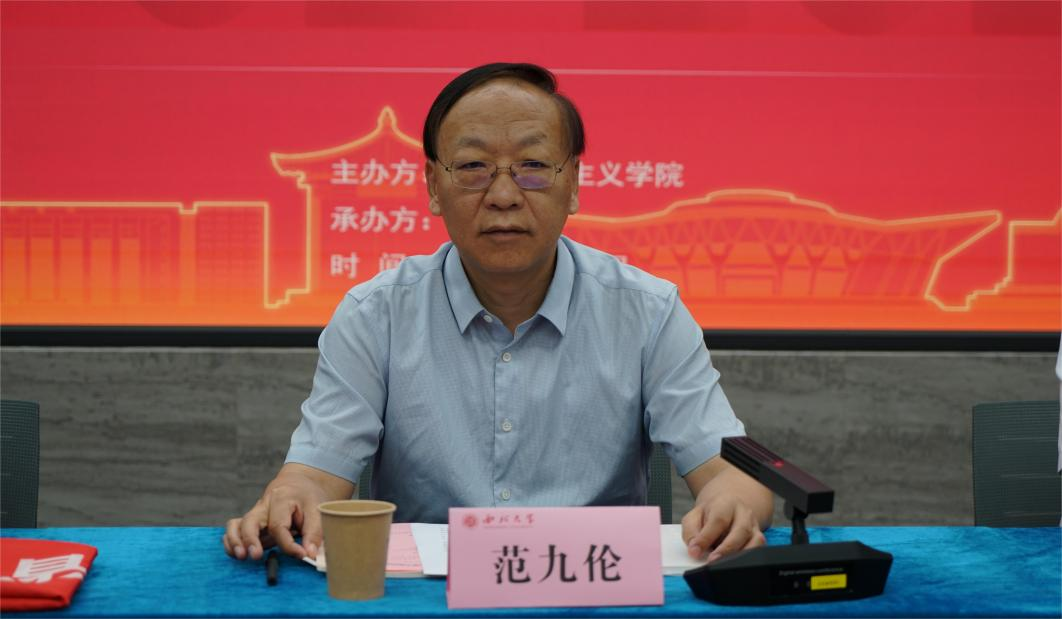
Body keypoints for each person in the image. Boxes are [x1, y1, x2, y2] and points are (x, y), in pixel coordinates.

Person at [223, 62, 773, 564]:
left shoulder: (647, 313)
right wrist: (290, 496)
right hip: (430, 599)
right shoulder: (375, 316)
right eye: (473, 167)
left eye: (533, 166)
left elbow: (733, 472)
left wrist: (733, 500)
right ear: (433, 186)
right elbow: (315, 476)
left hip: (594, 590)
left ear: (573, 183)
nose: (504, 195)